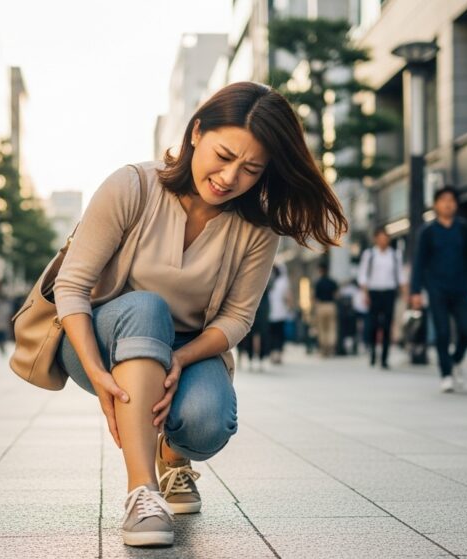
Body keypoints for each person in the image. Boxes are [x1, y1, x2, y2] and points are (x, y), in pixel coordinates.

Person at [51, 82, 345, 547]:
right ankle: (142, 494)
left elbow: (236, 319)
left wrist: (183, 359)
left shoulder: (257, 228)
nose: (230, 177)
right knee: (147, 308)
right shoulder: (132, 185)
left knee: (209, 422)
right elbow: (71, 286)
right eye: (224, 155)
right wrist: (95, 371)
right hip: (104, 339)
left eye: (250, 169)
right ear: (195, 133)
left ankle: (174, 453)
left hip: (185, 346)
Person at [411, 186, 467, 393]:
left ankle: (456, 360)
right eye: (443, 200)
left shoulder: (464, 228)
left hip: (462, 288)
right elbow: (419, 263)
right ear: (435, 204)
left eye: (451, 200)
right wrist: (415, 291)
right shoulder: (427, 232)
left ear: (456, 204)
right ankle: (446, 374)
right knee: (442, 332)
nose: (448, 203)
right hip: (437, 289)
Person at [357, 228, 406, 369]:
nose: (383, 241)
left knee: (387, 325)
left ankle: (384, 357)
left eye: (386, 238)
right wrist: (365, 294)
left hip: (389, 292)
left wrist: (405, 294)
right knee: (373, 325)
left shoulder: (395, 255)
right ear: (376, 239)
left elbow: (401, 276)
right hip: (374, 292)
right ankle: (373, 351)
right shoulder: (369, 254)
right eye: (380, 238)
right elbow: (363, 276)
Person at [266, 264, 291, 364]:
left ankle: (272, 355)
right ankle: (279, 355)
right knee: (280, 334)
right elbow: (287, 297)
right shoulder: (283, 282)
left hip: (270, 313)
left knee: (271, 334)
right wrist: (289, 307)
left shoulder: (268, 281)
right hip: (281, 313)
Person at [312, 263, 339, 357]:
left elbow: (315, 297)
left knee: (322, 328)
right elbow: (337, 295)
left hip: (321, 306)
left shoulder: (317, 282)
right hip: (331, 305)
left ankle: (323, 349)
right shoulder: (333, 282)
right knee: (331, 327)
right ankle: (331, 347)